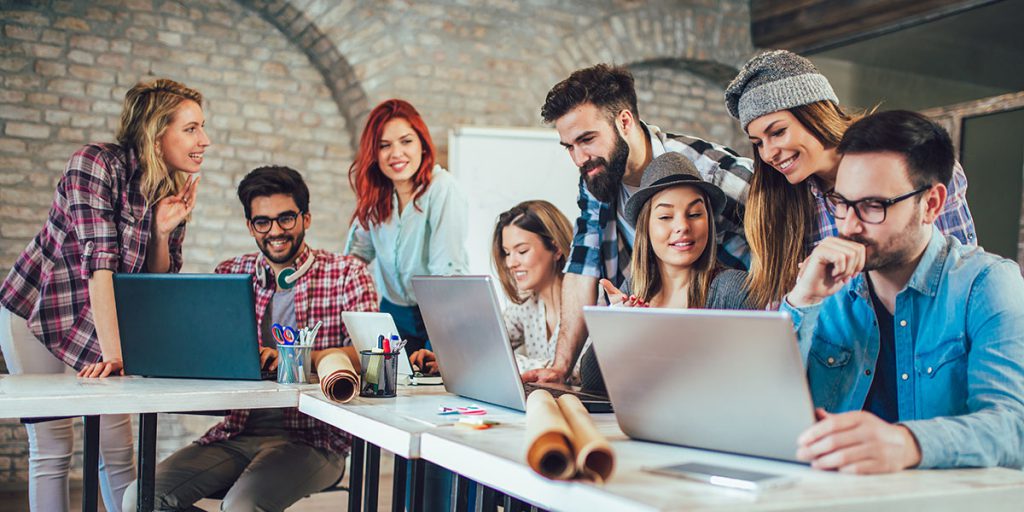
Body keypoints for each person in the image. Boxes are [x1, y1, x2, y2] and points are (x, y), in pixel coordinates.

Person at [0, 78, 208, 512]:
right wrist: (117, 355)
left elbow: (154, 284)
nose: (203, 140)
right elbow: (101, 265)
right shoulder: (94, 163)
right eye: (191, 128)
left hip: (103, 315)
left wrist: (160, 232)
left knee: (116, 445)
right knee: (53, 441)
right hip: (38, 310)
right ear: (156, 131)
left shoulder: (169, 187)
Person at [122, 166, 378, 511]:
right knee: (139, 499)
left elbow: (372, 355)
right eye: (263, 222)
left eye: (286, 219)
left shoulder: (347, 273)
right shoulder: (229, 274)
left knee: (241, 507)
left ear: (306, 219)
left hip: (315, 441)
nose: (275, 231)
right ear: (250, 226)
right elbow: (202, 349)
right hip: (238, 432)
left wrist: (294, 356)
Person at [781, 110, 1024, 473]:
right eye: (842, 203)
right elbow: (760, 412)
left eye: (872, 206)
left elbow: (1013, 430)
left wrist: (907, 443)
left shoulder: (987, 284)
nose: (848, 225)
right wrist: (801, 302)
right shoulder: (824, 290)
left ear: (931, 204)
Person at [524, 63, 754, 385]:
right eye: (569, 147)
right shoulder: (597, 176)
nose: (578, 158)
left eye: (587, 139)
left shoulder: (707, 169)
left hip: (726, 322)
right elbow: (582, 267)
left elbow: (784, 221)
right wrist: (561, 367)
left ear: (625, 121)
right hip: (659, 339)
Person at [724, 49, 977, 309]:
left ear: (815, 114)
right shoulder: (775, 202)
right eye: (757, 143)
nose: (768, 154)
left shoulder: (915, 165)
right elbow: (780, 311)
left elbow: (960, 276)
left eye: (777, 132)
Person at [582, 152, 753, 391]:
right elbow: (593, 387)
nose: (682, 226)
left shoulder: (732, 289)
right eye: (665, 216)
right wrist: (614, 329)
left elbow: (754, 383)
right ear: (646, 228)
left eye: (695, 214)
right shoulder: (632, 290)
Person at [344, 99, 469, 354]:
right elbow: (355, 257)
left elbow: (445, 273)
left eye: (406, 141)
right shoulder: (376, 195)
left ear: (422, 144)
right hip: (393, 313)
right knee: (392, 386)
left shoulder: (442, 188)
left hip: (440, 309)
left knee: (436, 385)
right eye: (384, 146)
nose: (396, 153)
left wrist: (439, 344)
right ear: (373, 154)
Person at [410, 200, 577, 379]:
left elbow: (579, 371)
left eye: (522, 251)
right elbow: (488, 345)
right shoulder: (527, 304)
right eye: (507, 253)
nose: (511, 263)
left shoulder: (590, 299)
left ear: (556, 248)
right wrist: (448, 361)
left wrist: (499, 363)